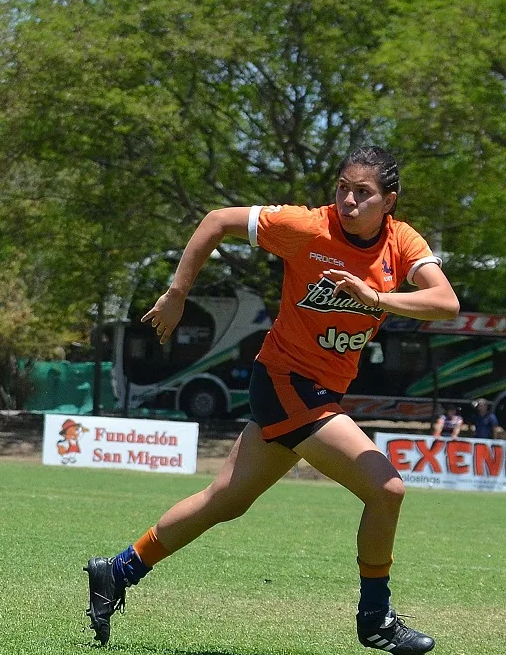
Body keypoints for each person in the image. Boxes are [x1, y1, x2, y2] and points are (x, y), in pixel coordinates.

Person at [84, 147, 459, 654]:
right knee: (387, 489)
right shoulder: (305, 227)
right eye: (342, 187)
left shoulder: (402, 241)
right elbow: (217, 221)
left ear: (389, 200)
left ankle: (118, 570)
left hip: (319, 390)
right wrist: (177, 292)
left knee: (226, 501)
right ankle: (375, 619)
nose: (348, 200)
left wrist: (377, 299)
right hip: (287, 381)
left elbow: (446, 302)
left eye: (363, 192)